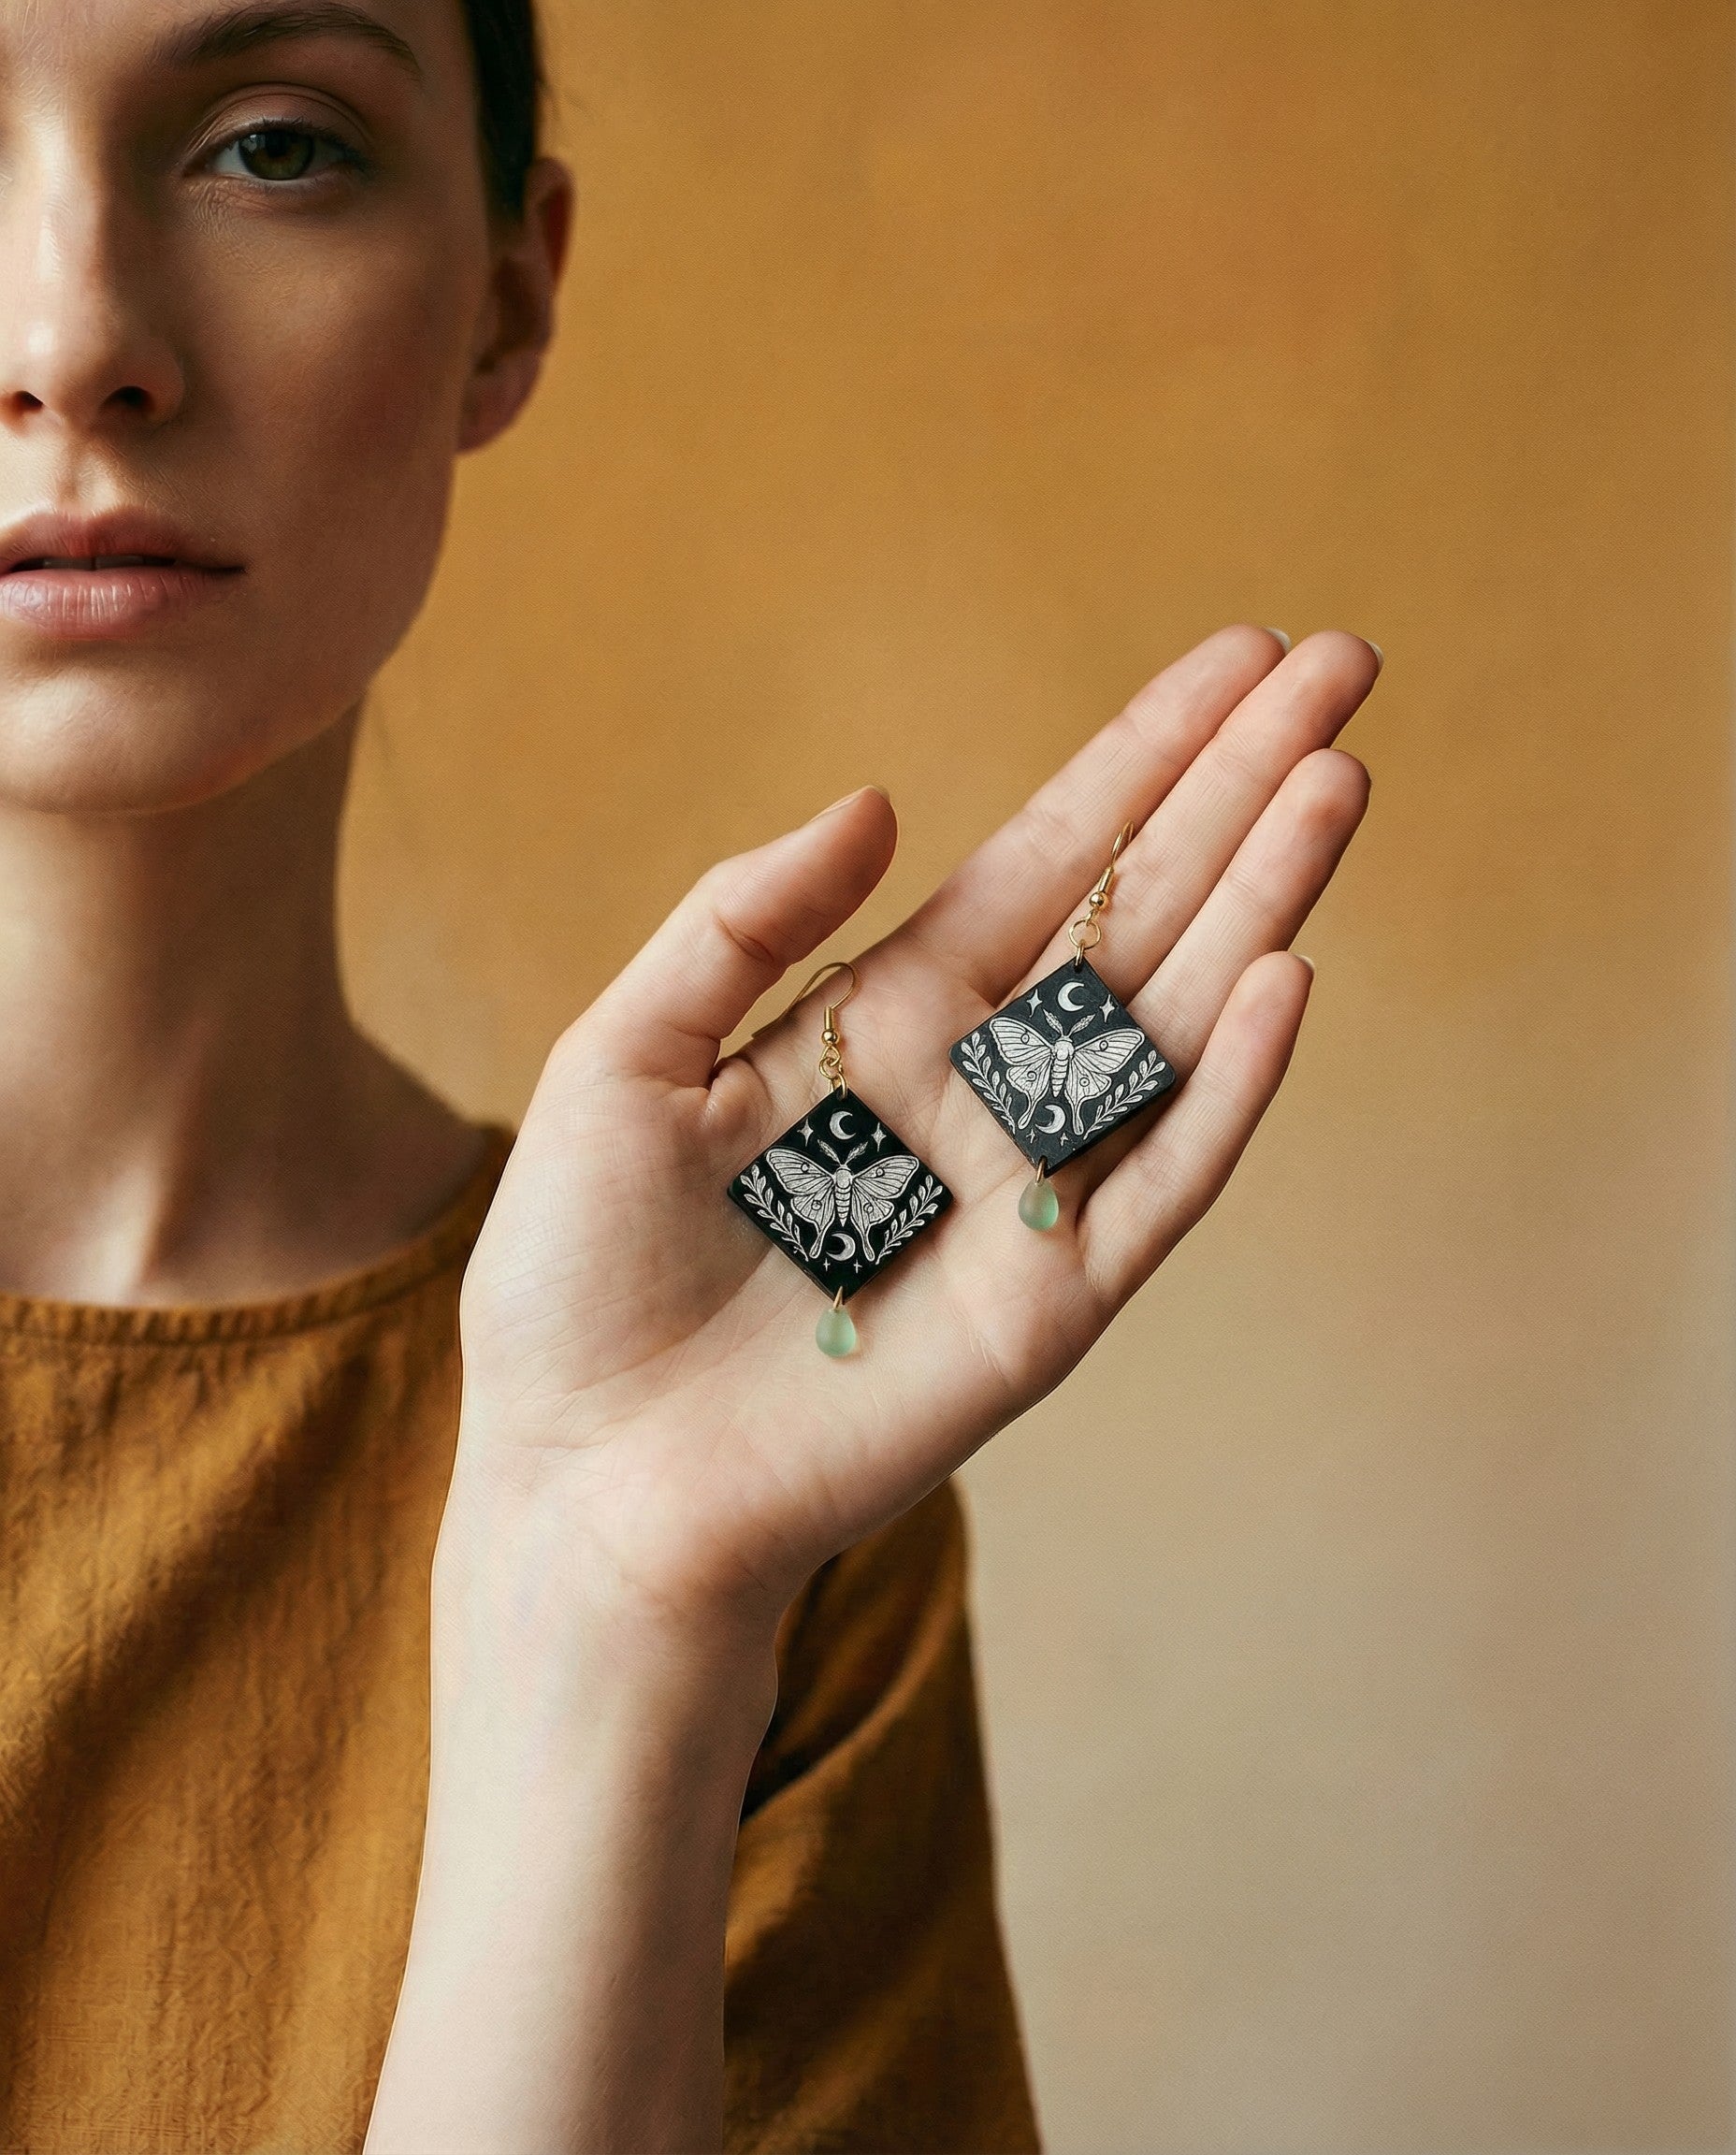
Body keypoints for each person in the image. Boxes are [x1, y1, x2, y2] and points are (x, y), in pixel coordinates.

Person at [0, 0, 1377, 2148]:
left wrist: (610, 1623)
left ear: (505, 290)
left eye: (273, 146)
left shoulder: (758, 1437)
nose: (76, 338)